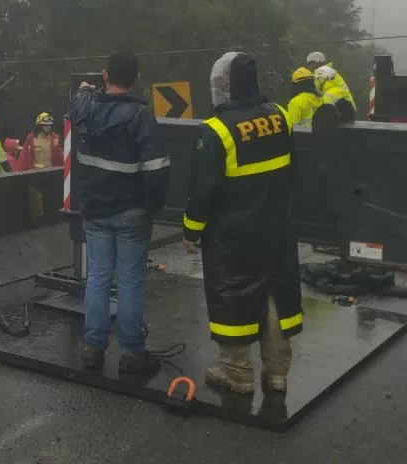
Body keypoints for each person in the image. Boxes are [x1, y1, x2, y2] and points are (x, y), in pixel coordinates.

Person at [184, 52, 302, 395]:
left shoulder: (217, 130)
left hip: (232, 236)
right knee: (273, 295)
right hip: (275, 227)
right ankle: (277, 373)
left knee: (233, 295)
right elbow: (291, 170)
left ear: (226, 84)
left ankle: (237, 372)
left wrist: (192, 231)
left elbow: (202, 191)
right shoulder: (280, 116)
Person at [70, 50, 171, 374]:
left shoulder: (85, 108)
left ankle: (92, 348)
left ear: (104, 75)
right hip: (131, 211)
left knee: (98, 276)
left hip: (94, 209)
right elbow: (157, 168)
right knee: (129, 280)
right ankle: (131, 353)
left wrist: (87, 89)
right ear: (137, 79)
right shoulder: (139, 116)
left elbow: (79, 100)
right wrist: (151, 205)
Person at [305, 51, 357, 122]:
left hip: (338, 110)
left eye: (310, 64)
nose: (309, 67)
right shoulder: (330, 71)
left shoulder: (320, 72)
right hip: (349, 109)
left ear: (316, 63)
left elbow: (314, 90)